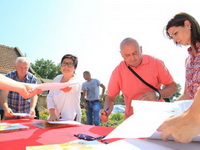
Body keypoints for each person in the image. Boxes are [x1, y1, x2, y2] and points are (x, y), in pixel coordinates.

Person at [100, 37, 178, 122]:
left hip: (157, 117)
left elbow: (173, 87)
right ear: (121, 54)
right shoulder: (118, 71)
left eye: (135, 53)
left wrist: (157, 94)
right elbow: (110, 98)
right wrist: (106, 111)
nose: (132, 58)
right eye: (127, 55)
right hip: (132, 119)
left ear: (141, 49)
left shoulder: (156, 63)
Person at [158, 12, 200, 143]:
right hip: (192, 121)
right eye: (172, 37)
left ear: (187, 24)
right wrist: (169, 110)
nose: (175, 40)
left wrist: (192, 117)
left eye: (175, 33)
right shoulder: (188, 60)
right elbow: (188, 93)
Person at [47, 54, 82, 122]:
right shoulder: (57, 79)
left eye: (70, 64)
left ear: (75, 68)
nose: (66, 66)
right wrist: (52, 113)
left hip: (71, 119)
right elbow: (50, 97)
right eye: (64, 63)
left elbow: (68, 88)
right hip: (56, 118)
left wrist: (47, 86)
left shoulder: (77, 80)